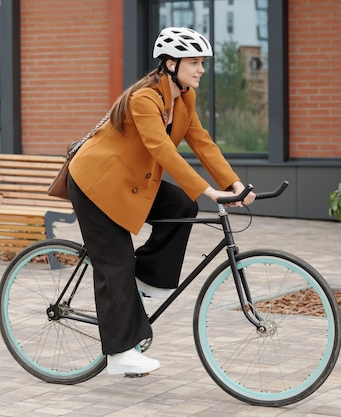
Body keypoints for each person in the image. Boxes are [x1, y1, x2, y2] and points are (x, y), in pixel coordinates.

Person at [67, 27, 256, 375]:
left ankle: (147, 279)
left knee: (183, 206)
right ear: (171, 64)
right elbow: (162, 150)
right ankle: (120, 353)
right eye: (194, 62)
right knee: (116, 262)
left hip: (132, 182)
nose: (201, 69)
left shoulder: (184, 98)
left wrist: (234, 183)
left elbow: (202, 142)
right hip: (96, 184)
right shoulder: (144, 99)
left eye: (202, 63)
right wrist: (209, 190)